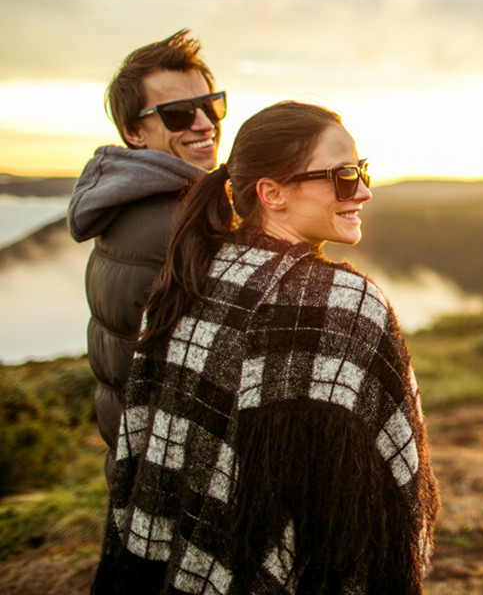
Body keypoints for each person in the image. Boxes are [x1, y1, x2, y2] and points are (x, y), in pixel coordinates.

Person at [92, 101, 440, 594]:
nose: (363, 190)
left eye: (361, 170)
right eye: (343, 176)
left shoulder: (184, 282)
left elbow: (146, 447)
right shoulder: (348, 303)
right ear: (272, 193)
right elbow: (391, 487)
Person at [68, 29, 224, 487]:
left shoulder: (127, 205)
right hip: (177, 478)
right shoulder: (179, 226)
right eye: (178, 114)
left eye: (211, 105)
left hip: (139, 465)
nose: (204, 123)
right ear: (134, 132)